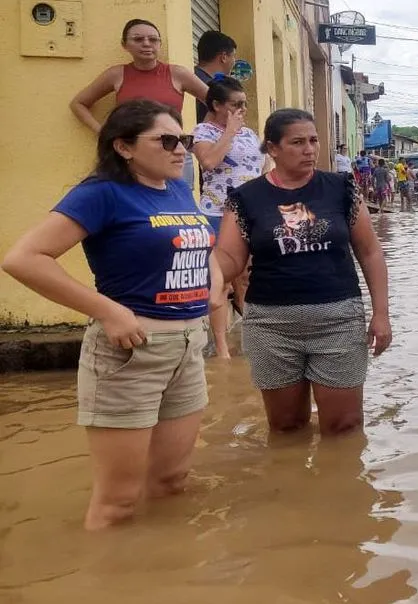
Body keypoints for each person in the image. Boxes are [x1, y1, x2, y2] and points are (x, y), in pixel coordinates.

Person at [2, 100, 223, 530]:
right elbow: (24, 259)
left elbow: (200, 238)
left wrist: (214, 280)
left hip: (188, 348)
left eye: (185, 140)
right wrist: (107, 310)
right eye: (167, 140)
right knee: (118, 502)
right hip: (130, 352)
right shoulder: (101, 193)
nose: (181, 150)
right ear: (123, 147)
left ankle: (166, 577)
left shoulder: (177, 185)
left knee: (172, 482)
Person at [213, 109, 391, 436]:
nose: (310, 149)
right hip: (271, 326)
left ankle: (340, 484)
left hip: (338, 321)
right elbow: (229, 257)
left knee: (345, 427)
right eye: (297, 142)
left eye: (313, 140)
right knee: (286, 427)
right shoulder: (246, 198)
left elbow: (371, 252)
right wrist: (208, 270)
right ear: (273, 149)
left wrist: (381, 314)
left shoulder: (341, 189)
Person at [70, 19, 209, 186]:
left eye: (153, 39)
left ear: (160, 44)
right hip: (132, 155)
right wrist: (103, 132)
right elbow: (78, 103)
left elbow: (217, 103)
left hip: (173, 151)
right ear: (125, 45)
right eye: (137, 39)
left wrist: (204, 135)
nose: (146, 44)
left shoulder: (178, 73)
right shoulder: (116, 75)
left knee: (178, 206)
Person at [191, 77, 264, 359]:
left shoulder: (249, 134)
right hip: (217, 213)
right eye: (235, 105)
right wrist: (229, 132)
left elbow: (261, 167)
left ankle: (253, 338)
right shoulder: (203, 132)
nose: (241, 110)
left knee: (246, 277)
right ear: (217, 105)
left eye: (244, 104)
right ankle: (222, 349)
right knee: (218, 280)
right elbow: (208, 162)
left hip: (249, 214)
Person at [193, 30, 238, 123]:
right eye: (233, 56)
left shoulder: (189, 77)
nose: (234, 61)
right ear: (224, 57)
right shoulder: (215, 88)